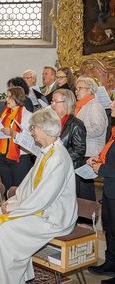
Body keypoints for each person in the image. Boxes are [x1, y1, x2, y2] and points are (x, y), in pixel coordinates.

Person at [0, 109, 78, 284]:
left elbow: (44, 197)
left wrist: (15, 208)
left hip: (53, 217)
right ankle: (9, 276)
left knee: (2, 230)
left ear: (45, 129)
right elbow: (29, 185)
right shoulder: (47, 152)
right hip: (39, 209)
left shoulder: (58, 157)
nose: (31, 133)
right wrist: (13, 201)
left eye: (33, 128)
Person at [87, 99, 115, 284]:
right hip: (110, 189)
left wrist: (101, 169)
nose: (111, 106)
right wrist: (98, 160)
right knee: (110, 229)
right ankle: (111, 263)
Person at [75, 76, 108, 200]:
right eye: (76, 88)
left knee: (86, 188)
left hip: (91, 152)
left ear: (90, 90)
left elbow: (98, 129)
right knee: (82, 187)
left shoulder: (94, 105)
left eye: (80, 88)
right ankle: (84, 215)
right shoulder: (81, 106)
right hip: (83, 151)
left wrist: (78, 133)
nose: (76, 91)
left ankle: (89, 217)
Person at [0, 87, 33, 197]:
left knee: (18, 191)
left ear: (17, 98)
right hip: (4, 156)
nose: (6, 100)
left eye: (9, 97)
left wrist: (14, 134)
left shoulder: (28, 116)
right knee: (7, 191)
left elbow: (31, 140)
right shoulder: (5, 114)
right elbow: (0, 135)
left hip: (19, 159)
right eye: (7, 97)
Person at [51, 89, 86, 197]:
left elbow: (79, 150)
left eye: (55, 102)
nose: (52, 105)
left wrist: (59, 158)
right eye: (52, 101)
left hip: (68, 170)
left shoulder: (76, 124)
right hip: (53, 168)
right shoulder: (53, 121)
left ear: (66, 104)